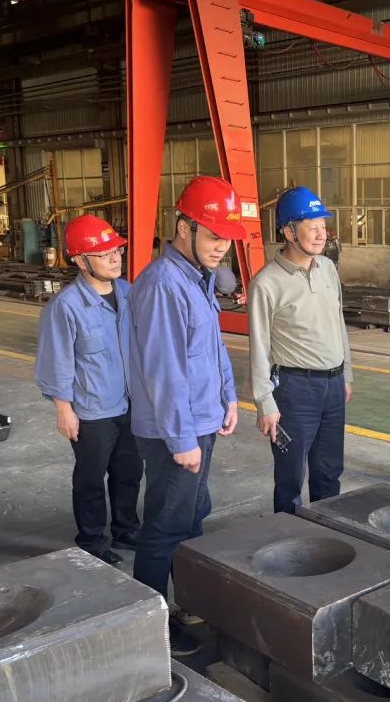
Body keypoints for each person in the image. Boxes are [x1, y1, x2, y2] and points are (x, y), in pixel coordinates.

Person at [127, 175, 242, 654]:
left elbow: (211, 347)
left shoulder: (198, 278)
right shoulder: (162, 285)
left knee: (193, 515)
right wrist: (181, 441)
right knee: (165, 527)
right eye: (213, 236)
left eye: (227, 239)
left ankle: (186, 601)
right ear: (183, 227)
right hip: (175, 432)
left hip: (201, 421)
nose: (221, 248)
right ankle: (149, 628)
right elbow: (164, 372)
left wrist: (229, 396)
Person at [35, 214, 141, 567]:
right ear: (81, 261)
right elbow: (57, 361)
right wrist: (63, 410)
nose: (115, 258)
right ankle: (92, 541)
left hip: (130, 404)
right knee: (91, 479)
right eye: (104, 253)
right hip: (92, 410)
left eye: (117, 251)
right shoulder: (66, 306)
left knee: (129, 472)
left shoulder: (127, 293)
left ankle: (126, 529)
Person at [249, 185, 353, 513]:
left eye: (323, 226)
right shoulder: (266, 283)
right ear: (288, 231)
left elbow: (338, 323)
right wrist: (265, 401)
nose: (322, 234)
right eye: (313, 227)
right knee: (290, 477)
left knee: (329, 473)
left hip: (333, 387)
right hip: (294, 391)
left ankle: (328, 533)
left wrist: (347, 374)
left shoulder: (328, 269)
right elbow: (259, 346)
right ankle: (289, 536)